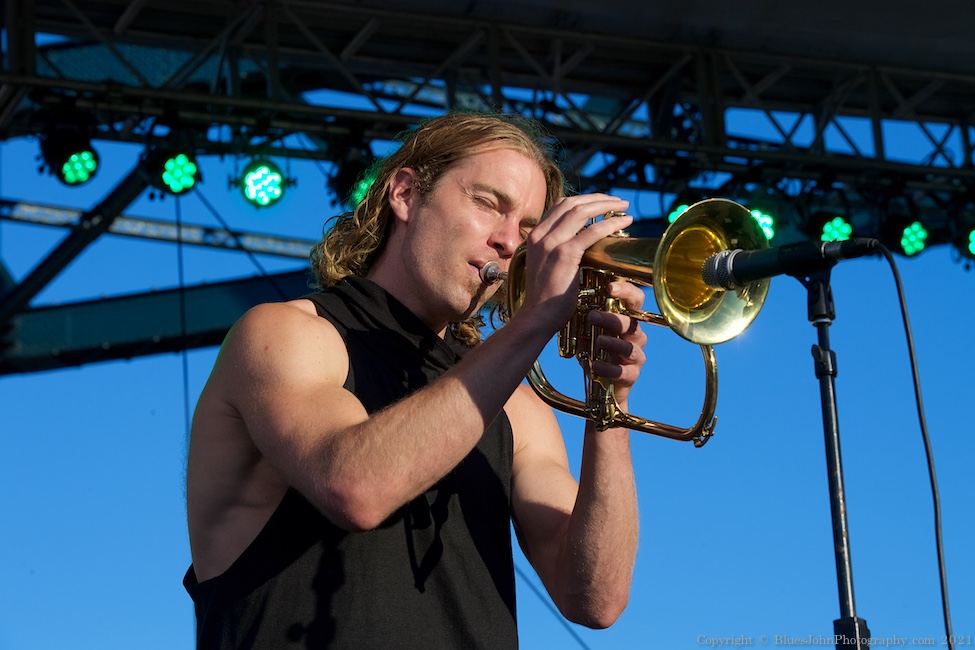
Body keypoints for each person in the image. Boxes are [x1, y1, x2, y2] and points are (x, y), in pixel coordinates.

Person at [184, 111, 647, 649]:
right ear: (405, 195)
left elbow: (595, 598)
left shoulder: (519, 411)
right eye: (487, 203)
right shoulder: (285, 334)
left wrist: (608, 403)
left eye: (526, 229)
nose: (508, 242)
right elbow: (354, 487)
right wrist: (533, 322)